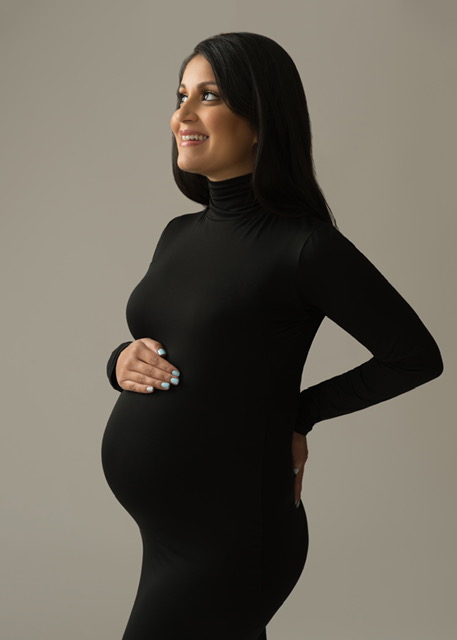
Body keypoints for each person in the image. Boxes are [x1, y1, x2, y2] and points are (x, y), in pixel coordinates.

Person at [101, 32, 444, 640]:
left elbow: (414, 356)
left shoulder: (305, 247)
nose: (182, 115)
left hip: (233, 536)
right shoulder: (177, 235)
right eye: (181, 96)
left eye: (208, 96)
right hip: (169, 535)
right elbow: (177, 341)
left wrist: (300, 414)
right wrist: (118, 362)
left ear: (261, 119)